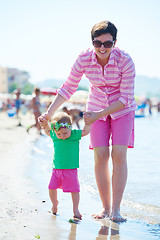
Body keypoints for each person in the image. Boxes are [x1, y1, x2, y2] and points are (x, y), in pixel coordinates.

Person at [38, 20, 137, 222]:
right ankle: (105, 208)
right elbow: (68, 88)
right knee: (101, 156)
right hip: (95, 108)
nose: (102, 48)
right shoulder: (84, 58)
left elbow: (125, 98)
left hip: (121, 110)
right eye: (97, 43)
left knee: (118, 154)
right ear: (92, 42)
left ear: (115, 43)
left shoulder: (125, 61)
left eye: (107, 43)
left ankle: (116, 210)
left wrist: (99, 114)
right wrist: (48, 113)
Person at [42, 111, 90, 219]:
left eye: (65, 133)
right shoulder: (55, 135)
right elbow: (47, 131)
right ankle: (54, 204)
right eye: (59, 134)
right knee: (51, 187)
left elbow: (85, 132)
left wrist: (88, 123)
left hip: (71, 170)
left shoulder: (73, 135)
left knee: (74, 190)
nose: (62, 136)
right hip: (56, 169)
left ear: (70, 127)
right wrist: (44, 124)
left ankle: (75, 209)